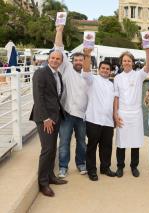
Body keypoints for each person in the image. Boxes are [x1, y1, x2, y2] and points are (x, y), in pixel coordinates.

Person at [29, 50, 67, 197]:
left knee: (52, 148)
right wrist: (45, 118)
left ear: (61, 61)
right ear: (48, 58)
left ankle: (51, 176)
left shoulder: (58, 74)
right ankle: (43, 183)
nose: (55, 60)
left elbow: (56, 96)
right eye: (53, 58)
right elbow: (38, 97)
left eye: (58, 58)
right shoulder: (41, 73)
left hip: (55, 117)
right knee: (47, 149)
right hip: (45, 118)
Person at [54, 25, 88, 178]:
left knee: (82, 142)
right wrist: (59, 30)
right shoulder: (66, 68)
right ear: (72, 61)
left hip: (82, 116)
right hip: (67, 113)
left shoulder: (88, 75)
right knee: (64, 142)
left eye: (81, 60)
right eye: (77, 59)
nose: (79, 62)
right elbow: (59, 49)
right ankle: (63, 167)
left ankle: (81, 164)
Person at [113, 49, 149, 178]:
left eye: (129, 60)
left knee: (135, 142)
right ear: (121, 63)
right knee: (121, 142)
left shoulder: (139, 75)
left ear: (133, 62)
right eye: (124, 61)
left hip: (136, 113)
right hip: (122, 113)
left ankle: (134, 166)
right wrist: (115, 114)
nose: (127, 62)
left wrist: (147, 51)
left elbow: (148, 66)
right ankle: (120, 166)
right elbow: (116, 97)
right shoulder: (117, 78)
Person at [82, 48, 116, 181]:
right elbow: (85, 70)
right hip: (93, 119)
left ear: (110, 71)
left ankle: (105, 168)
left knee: (106, 147)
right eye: (103, 68)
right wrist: (87, 55)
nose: (105, 70)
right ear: (99, 69)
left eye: (108, 69)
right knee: (91, 147)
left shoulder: (112, 85)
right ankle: (91, 170)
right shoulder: (92, 79)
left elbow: (114, 103)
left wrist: (115, 118)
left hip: (108, 121)